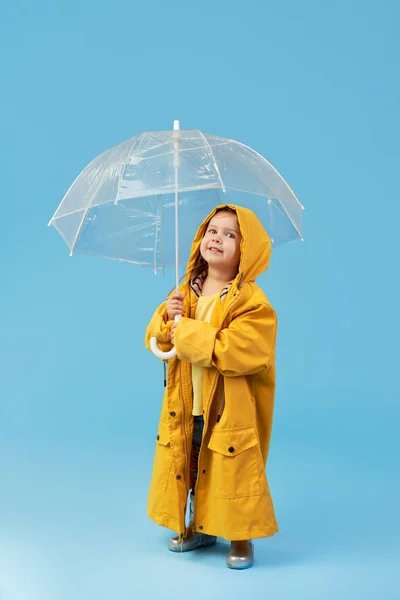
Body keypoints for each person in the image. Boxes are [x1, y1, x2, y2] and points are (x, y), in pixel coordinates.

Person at [144, 204, 278, 569]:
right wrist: (164, 320)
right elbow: (160, 344)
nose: (217, 238)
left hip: (227, 408)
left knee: (231, 466)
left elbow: (241, 351)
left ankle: (241, 534)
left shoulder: (251, 302)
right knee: (189, 464)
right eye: (211, 231)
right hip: (190, 403)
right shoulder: (185, 293)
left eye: (229, 234)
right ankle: (200, 527)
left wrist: (185, 330)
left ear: (246, 250)